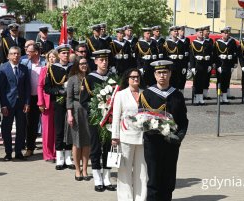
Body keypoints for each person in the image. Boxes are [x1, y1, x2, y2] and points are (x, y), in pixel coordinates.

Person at [139, 60, 188, 201]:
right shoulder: (147, 94)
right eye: (159, 72)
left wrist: (179, 137)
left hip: (171, 143)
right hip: (153, 143)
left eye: (165, 72)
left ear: (170, 74)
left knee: (169, 179)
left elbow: (183, 120)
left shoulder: (177, 94)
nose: (162, 76)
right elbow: (141, 119)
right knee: (154, 179)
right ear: (154, 75)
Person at [80, 49, 116, 192]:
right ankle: (97, 178)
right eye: (101, 60)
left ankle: (107, 177)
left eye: (106, 60)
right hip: (95, 118)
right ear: (95, 62)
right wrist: (97, 110)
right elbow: (84, 101)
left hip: (110, 118)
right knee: (95, 148)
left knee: (108, 147)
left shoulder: (112, 77)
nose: (104, 62)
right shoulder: (89, 79)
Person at [111, 68, 147, 201]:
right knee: (124, 171)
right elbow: (116, 117)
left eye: (137, 77)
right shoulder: (121, 95)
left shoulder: (145, 93)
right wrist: (115, 136)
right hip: (125, 137)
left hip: (143, 137)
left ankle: (141, 198)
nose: (135, 79)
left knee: (142, 172)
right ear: (127, 79)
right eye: (132, 77)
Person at [44, 44, 75, 170]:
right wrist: (58, 91)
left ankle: (68, 157)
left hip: (72, 102)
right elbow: (47, 88)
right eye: (63, 53)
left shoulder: (73, 68)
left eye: (67, 53)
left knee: (70, 130)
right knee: (59, 130)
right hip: (59, 102)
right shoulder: (52, 69)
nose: (65, 55)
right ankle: (60, 158)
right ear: (59, 55)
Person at [0, 46, 31, 161]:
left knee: (21, 128)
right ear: (8, 56)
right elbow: (1, 90)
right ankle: (8, 152)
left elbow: (27, 87)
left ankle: (18, 152)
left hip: (21, 103)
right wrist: (3, 105)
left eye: (17, 53)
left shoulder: (24, 68)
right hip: (8, 103)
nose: (15, 56)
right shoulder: (3, 68)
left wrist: (27, 103)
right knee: (6, 128)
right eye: (13, 53)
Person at [65, 56, 91, 181]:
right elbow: (69, 98)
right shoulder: (72, 79)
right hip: (76, 111)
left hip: (88, 111)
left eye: (85, 63)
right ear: (77, 65)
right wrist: (69, 114)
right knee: (77, 142)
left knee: (87, 142)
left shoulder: (91, 78)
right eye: (81, 63)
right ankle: (77, 170)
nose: (84, 65)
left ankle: (85, 169)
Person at [21, 44, 46, 157]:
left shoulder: (45, 63)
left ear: (36, 52)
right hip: (31, 97)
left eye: (29, 51)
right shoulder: (25, 63)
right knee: (31, 124)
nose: (27, 53)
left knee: (47, 124)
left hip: (44, 97)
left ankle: (49, 149)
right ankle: (30, 148)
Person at [37, 49, 58, 162]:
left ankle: (56, 152)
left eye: (54, 57)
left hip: (58, 102)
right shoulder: (44, 70)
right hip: (47, 103)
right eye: (50, 57)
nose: (51, 59)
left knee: (57, 129)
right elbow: (40, 86)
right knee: (47, 130)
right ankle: (48, 154)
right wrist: (40, 102)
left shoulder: (60, 70)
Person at [213, 27, 238, 104]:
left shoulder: (232, 42)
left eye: (227, 33)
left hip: (228, 64)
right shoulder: (217, 43)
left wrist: (234, 63)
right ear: (221, 34)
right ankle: (219, 96)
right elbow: (215, 55)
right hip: (221, 64)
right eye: (225, 33)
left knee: (227, 81)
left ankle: (224, 97)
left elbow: (235, 53)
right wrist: (217, 66)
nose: (226, 34)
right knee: (220, 81)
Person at [190, 27, 212, 105]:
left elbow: (210, 54)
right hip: (197, 64)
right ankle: (196, 97)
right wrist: (192, 67)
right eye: (199, 32)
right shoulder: (194, 43)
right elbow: (191, 56)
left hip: (205, 64)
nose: (201, 34)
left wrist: (210, 64)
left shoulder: (207, 43)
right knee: (196, 82)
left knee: (202, 81)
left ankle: (201, 98)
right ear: (196, 33)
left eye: (202, 32)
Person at [164, 26, 186, 91]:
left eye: (177, 31)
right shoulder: (167, 43)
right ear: (171, 32)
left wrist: (184, 66)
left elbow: (184, 56)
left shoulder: (181, 43)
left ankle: (178, 97)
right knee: (171, 81)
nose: (176, 33)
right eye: (174, 31)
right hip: (171, 65)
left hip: (180, 65)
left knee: (179, 81)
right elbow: (164, 56)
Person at [202, 26, 214, 100]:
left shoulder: (210, 40)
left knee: (207, 79)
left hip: (208, 62)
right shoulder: (201, 41)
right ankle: (198, 94)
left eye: (208, 31)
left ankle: (205, 95)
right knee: (200, 79)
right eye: (206, 31)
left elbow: (211, 53)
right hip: (200, 62)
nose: (208, 32)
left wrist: (211, 64)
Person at [178, 26, 190, 93]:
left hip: (185, 61)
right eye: (181, 31)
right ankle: (177, 93)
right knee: (177, 78)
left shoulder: (187, 40)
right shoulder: (177, 40)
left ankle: (182, 93)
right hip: (178, 60)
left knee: (183, 78)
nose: (183, 32)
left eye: (183, 31)